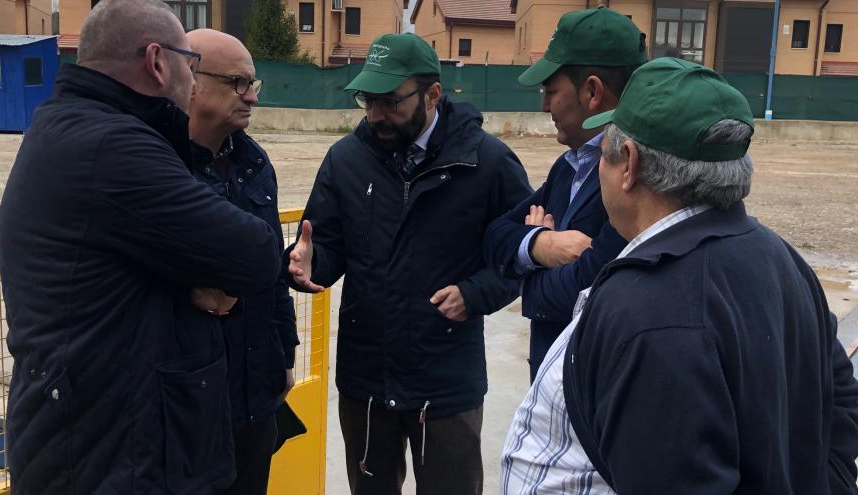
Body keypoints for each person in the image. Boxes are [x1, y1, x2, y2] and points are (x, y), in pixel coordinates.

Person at [502, 57, 858, 494]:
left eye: (605, 153)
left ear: (628, 164)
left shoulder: (650, 309)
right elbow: (840, 402)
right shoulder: (780, 256)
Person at [0, 2, 282, 494]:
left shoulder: (73, 127)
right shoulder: (113, 146)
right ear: (156, 61)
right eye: (189, 68)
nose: (192, 85)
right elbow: (255, 254)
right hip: (110, 456)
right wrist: (213, 274)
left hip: (103, 437)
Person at [286, 33, 532, 495]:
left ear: (432, 94)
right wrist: (305, 265)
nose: (375, 114)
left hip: (445, 381)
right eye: (367, 100)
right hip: (366, 379)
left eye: (390, 102)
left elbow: (519, 255)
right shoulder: (345, 159)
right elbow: (325, 246)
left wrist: (476, 292)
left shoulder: (487, 162)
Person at [484, 6, 644, 381]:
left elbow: (586, 292)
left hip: (597, 399)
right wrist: (541, 244)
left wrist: (529, 281)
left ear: (592, 92)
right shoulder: (570, 166)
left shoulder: (636, 176)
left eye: (550, 91)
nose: (543, 105)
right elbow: (494, 237)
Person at [186, 29, 299, 495]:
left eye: (254, 83)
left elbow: (271, 267)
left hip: (256, 395)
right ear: (188, 79)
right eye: (237, 82)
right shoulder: (156, 165)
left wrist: (285, 348)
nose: (251, 95)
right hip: (189, 397)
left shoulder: (254, 163)